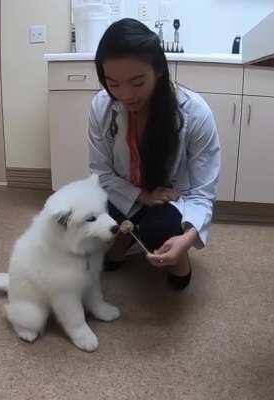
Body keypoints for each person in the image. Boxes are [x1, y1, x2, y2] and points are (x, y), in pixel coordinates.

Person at [88, 18, 220, 290]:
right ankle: (125, 237)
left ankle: (176, 255)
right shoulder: (102, 107)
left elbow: (203, 192)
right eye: (112, 83)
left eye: (137, 82)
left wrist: (188, 238)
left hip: (169, 200)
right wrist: (142, 196)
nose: (125, 95)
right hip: (127, 192)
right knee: (84, 217)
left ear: (159, 70)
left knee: (160, 231)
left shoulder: (195, 113)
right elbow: (100, 173)